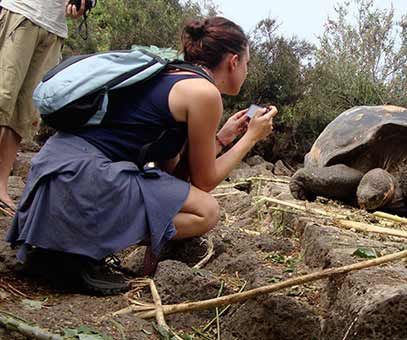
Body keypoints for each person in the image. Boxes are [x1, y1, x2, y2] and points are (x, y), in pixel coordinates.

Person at [6, 16, 278, 295]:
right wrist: (250, 138)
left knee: (191, 204)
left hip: (58, 171)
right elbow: (205, 182)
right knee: (206, 212)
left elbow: (174, 181)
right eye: (246, 63)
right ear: (233, 61)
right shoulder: (205, 93)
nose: (246, 70)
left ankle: (71, 247)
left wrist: (222, 139)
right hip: (79, 179)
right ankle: (72, 255)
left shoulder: (172, 74)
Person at [0, 0, 86, 216]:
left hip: (54, 26)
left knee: (26, 110)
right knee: (3, 95)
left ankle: (1, 186)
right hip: (22, 10)